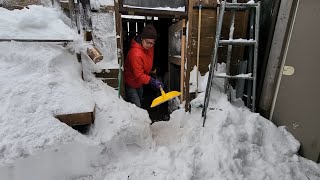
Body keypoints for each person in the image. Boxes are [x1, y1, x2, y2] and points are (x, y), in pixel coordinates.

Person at [124, 24, 163, 107]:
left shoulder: (149, 47)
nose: (150, 45)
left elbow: (147, 59)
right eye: (148, 42)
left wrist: (151, 70)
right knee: (136, 104)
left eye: (152, 43)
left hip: (139, 82)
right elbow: (139, 75)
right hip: (131, 81)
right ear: (142, 38)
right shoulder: (135, 54)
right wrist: (152, 81)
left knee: (141, 98)